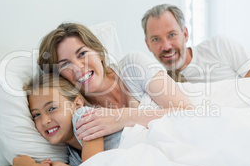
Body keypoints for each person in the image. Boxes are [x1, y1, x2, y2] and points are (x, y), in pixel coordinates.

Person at [37, 22, 193, 142]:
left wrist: (121, 118)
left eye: (82, 54)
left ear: (99, 53)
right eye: (65, 64)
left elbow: (186, 111)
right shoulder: (80, 111)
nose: (78, 67)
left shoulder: (133, 66)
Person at [142, 4, 250, 83]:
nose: (166, 46)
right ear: (148, 45)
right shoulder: (158, 82)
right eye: (156, 39)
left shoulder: (218, 47)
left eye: (172, 35)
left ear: (185, 34)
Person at [12, 74, 123, 166]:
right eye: (36, 115)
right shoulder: (73, 155)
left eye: (52, 108)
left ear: (77, 105)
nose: (44, 121)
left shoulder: (84, 116)